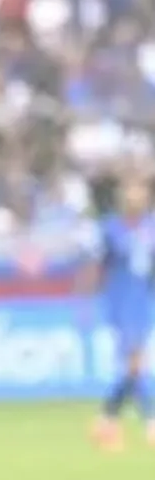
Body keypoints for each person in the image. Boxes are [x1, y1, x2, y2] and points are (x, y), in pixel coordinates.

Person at [91, 173, 155, 450]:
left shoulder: (151, 226)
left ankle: (107, 419)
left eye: (140, 194)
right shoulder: (111, 228)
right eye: (130, 194)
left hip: (144, 299)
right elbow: (98, 265)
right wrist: (88, 299)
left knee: (133, 366)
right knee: (135, 362)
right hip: (121, 300)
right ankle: (150, 421)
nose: (136, 199)